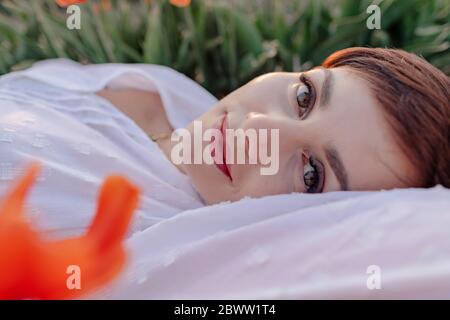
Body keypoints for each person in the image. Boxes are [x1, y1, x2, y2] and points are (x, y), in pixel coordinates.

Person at [0, 47, 448, 237]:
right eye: (304, 96)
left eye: (312, 174)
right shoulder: (169, 91)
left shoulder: (144, 233)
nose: (255, 130)